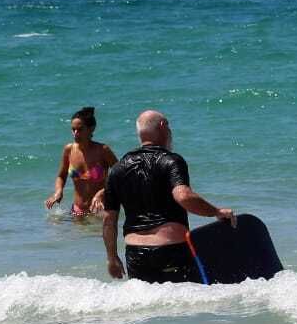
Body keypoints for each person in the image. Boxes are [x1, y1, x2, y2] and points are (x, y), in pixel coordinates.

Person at [101, 109, 235, 282]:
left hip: (135, 255)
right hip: (170, 250)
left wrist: (111, 258)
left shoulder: (117, 169)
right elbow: (183, 196)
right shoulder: (171, 160)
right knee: (183, 306)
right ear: (163, 126)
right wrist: (216, 211)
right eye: (169, 126)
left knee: (150, 306)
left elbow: (108, 220)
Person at [44, 106, 117, 217]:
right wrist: (58, 191)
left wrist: (102, 193)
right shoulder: (69, 150)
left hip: (100, 211)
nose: (75, 133)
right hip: (77, 211)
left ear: (91, 128)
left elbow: (121, 176)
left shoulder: (103, 150)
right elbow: (61, 176)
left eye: (80, 129)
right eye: (73, 129)